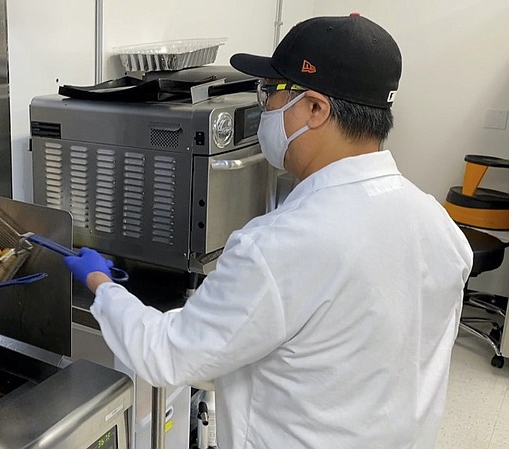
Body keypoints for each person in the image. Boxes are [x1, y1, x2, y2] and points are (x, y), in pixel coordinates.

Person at [63, 14, 473, 449]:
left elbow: (167, 355)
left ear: (316, 108)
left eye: (272, 93)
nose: (266, 108)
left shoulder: (279, 246)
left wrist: (101, 285)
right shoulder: (439, 226)